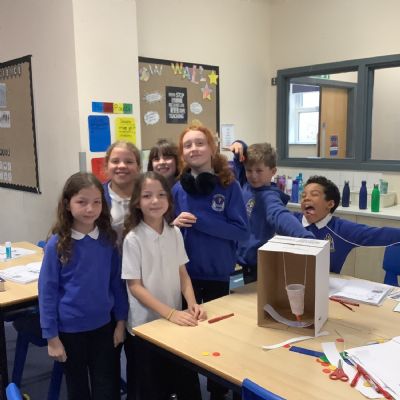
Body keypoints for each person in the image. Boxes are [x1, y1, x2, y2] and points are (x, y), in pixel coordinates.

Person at [173, 124, 249, 400]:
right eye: (188, 145)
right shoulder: (178, 189)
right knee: (186, 339)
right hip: (186, 278)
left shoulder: (229, 187)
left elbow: (242, 232)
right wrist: (173, 223)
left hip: (219, 276)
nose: (194, 149)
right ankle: (189, 393)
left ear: (212, 148)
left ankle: (219, 392)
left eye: (200, 143)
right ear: (182, 152)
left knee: (221, 337)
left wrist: (202, 223)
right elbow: (165, 231)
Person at [38, 172, 128, 400]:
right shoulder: (57, 245)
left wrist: (121, 322)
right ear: (67, 204)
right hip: (70, 331)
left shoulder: (107, 240)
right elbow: (47, 292)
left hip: (104, 327)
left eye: (97, 202)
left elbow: (116, 283)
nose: (90, 209)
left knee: (106, 386)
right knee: (78, 388)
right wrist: (51, 337)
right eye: (82, 202)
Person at [122, 171, 206, 400]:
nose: (155, 201)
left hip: (174, 321)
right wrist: (170, 313)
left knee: (184, 382)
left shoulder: (174, 232)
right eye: (147, 195)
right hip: (147, 326)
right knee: (153, 388)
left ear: (169, 199)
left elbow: (183, 274)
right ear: (137, 202)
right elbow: (135, 287)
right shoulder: (133, 239)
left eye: (161, 195)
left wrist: (192, 303)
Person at [230, 141, 314, 283]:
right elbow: (239, 161)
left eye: (259, 171)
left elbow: (279, 215)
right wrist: (240, 146)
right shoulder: (245, 183)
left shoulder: (269, 196)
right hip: (236, 265)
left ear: (273, 171)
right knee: (233, 294)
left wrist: (305, 237)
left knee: (250, 297)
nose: (253, 176)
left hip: (255, 268)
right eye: (249, 170)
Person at [294, 175, 400, 273]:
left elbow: (377, 234)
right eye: (303, 195)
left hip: (325, 282)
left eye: (314, 194)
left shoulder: (341, 229)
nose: (306, 198)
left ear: (330, 204)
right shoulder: (291, 221)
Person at [103, 141, 141, 243]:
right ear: (106, 166)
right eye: (115, 161)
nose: (122, 166)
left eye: (129, 162)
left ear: (138, 167)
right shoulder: (97, 196)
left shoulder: (148, 195)